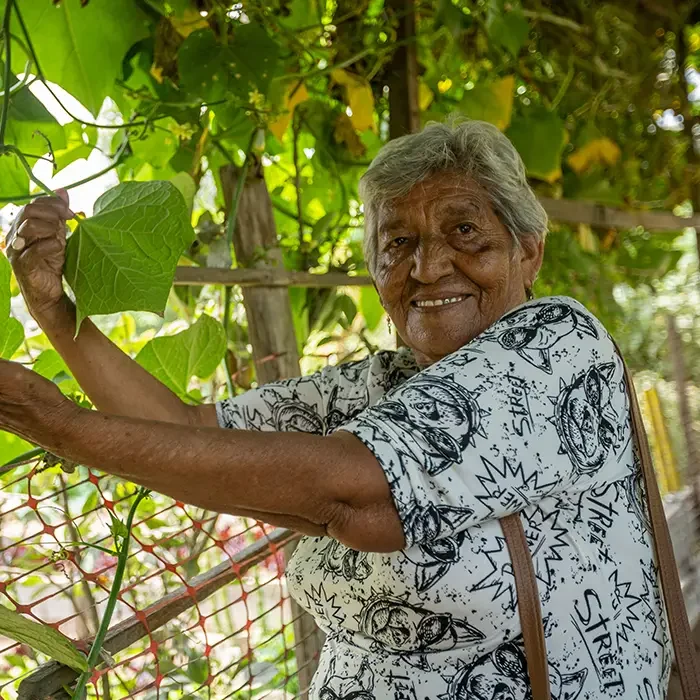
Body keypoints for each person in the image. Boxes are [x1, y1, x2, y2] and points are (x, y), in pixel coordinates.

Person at [2, 120, 669, 699]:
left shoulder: (556, 348)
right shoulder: (383, 384)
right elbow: (184, 431)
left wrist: (58, 425)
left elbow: (351, 496)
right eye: (398, 243)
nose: (430, 265)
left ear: (529, 251)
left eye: (465, 232)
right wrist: (56, 312)